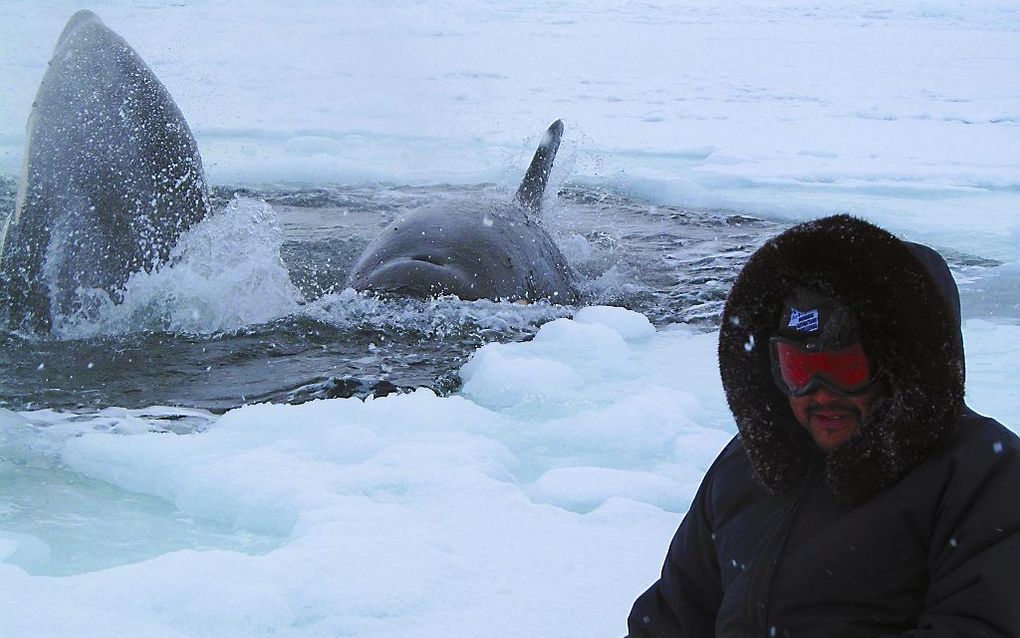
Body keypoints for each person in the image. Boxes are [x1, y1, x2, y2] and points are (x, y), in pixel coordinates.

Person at [627, 214, 1020, 637]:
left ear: (900, 365)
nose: (819, 393)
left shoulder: (984, 475)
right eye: (798, 369)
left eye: (844, 368)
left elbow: (981, 627)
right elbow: (671, 618)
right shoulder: (749, 466)